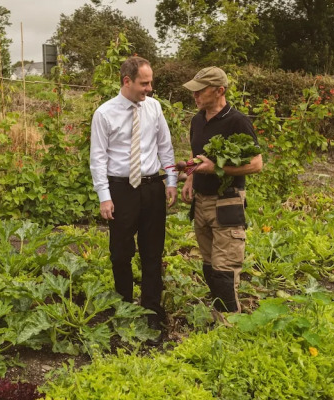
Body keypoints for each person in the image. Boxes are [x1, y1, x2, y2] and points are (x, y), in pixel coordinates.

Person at [90, 56, 178, 342]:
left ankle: (152, 310)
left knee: (153, 252)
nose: (149, 88)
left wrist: (172, 181)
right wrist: (105, 197)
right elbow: (98, 158)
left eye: (150, 82)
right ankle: (124, 306)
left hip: (152, 187)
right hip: (122, 190)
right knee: (121, 252)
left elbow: (165, 146)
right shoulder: (104, 114)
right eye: (144, 83)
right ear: (126, 81)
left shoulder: (154, 108)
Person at [181, 66, 263, 313]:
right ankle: (218, 317)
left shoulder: (237, 121)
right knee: (209, 265)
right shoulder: (197, 120)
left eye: (200, 92)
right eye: (193, 92)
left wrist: (216, 167)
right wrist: (189, 178)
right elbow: (197, 157)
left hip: (227, 201)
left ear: (219, 91)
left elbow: (257, 164)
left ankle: (230, 326)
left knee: (224, 270)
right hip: (201, 202)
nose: (195, 97)